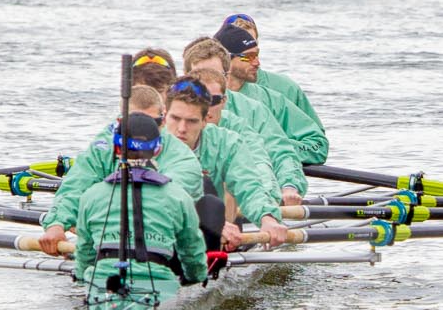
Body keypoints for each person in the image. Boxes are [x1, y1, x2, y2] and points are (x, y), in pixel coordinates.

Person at [36, 87, 208, 287]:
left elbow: (168, 203)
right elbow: (76, 186)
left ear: (162, 122)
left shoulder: (181, 156)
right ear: (119, 123)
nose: (140, 131)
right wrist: (57, 224)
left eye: (151, 123)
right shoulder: (101, 148)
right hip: (118, 242)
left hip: (165, 243)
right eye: (132, 122)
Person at [163, 75, 292, 250]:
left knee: (207, 193)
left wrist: (267, 218)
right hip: (156, 227)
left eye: (191, 121)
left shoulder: (227, 143)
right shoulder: (146, 141)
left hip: (202, 233)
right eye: (175, 118)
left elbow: (249, 186)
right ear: (164, 116)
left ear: (205, 120)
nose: (182, 129)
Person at [181, 37, 308, 199]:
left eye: (215, 75)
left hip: (244, 198)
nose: (207, 84)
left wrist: (289, 187)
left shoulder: (252, 111)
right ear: (185, 78)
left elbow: (277, 153)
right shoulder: (173, 112)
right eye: (199, 76)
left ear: (226, 77)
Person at [217, 14, 326, 162]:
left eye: (257, 54)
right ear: (225, 59)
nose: (257, 62)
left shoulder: (278, 94)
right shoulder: (194, 95)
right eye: (248, 56)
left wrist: (274, 147)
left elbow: (318, 144)